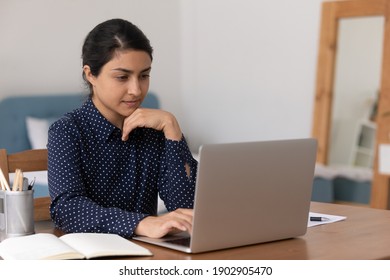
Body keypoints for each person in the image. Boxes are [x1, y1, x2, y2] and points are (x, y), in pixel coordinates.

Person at [47, 18, 197, 239]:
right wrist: (142, 223)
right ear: (90, 75)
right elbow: (67, 209)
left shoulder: (155, 130)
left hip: (150, 255)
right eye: (122, 77)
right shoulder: (67, 131)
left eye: (144, 75)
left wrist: (172, 127)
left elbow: (187, 208)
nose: (136, 90)